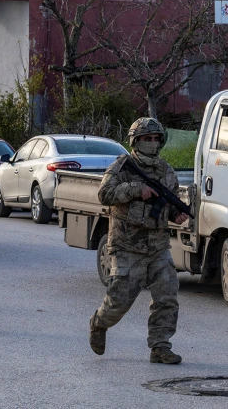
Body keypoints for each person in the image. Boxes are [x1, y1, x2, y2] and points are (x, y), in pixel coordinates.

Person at [89, 117, 187, 364]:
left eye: (156, 139)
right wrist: (135, 190)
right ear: (135, 141)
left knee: (167, 296)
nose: (152, 144)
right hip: (127, 245)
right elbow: (104, 194)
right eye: (146, 139)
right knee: (119, 300)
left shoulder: (166, 171)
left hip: (158, 246)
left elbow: (170, 203)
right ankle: (99, 323)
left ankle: (160, 346)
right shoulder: (123, 167)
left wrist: (178, 214)